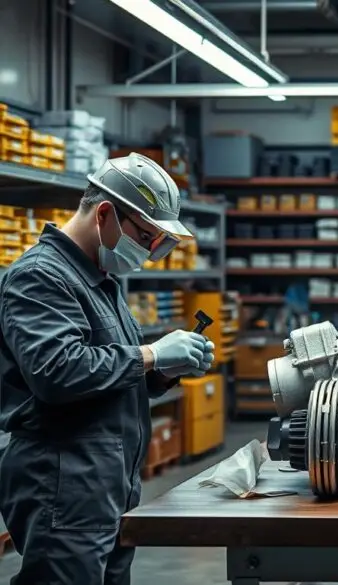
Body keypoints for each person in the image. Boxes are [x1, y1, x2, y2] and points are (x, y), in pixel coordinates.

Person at [0, 153, 216, 585]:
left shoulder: (100, 280)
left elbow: (111, 375)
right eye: (147, 236)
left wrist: (167, 370)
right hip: (64, 482)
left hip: (108, 480)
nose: (151, 253)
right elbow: (56, 371)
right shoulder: (41, 277)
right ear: (104, 214)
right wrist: (152, 354)